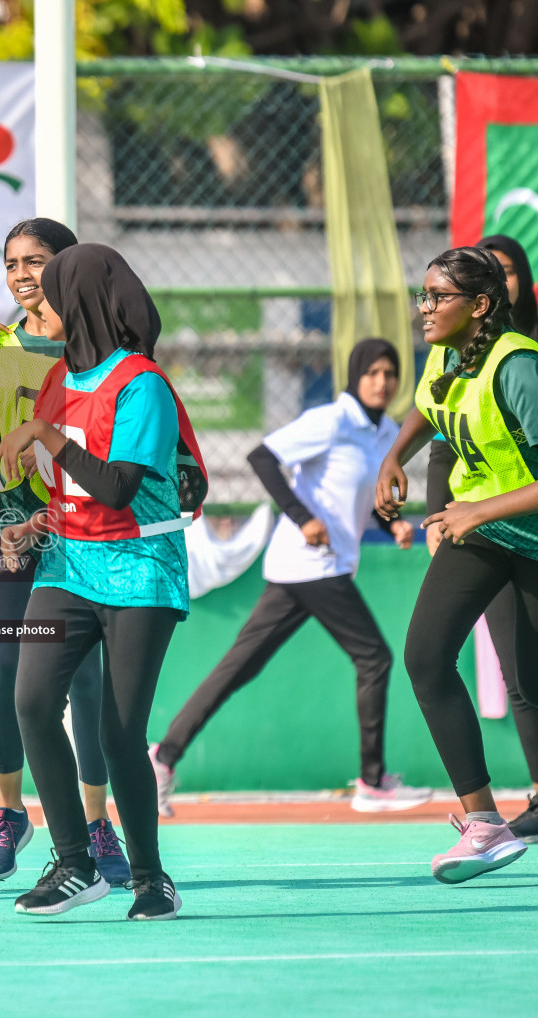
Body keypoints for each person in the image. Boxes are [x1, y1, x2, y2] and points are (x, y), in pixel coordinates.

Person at [375, 245, 538, 885]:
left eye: (438, 297)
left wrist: (474, 513)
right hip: (486, 521)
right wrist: (394, 455)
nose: (424, 308)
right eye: (423, 295)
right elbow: (432, 408)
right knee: (426, 657)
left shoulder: (521, 369)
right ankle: (483, 824)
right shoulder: (449, 354)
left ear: (479, 306)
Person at [0, 243, 207, 921]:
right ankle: (74, 866)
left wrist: (48, 438)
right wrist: (34, 522)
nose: (36, 301)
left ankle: (150, 878)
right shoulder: (61, 382)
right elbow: (76, 497)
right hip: (72, 563)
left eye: (49, 291)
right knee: (31, 700)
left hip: (140, 568)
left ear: (80, 302)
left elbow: (116, 488)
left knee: (118, 735)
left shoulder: (141, 383)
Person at [148, 338, 433, 815]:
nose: (382, 382)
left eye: (390, 373)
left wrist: (392, 522)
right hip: (310, 563)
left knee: (240, 665)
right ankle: (372, 781)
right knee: (375, 657)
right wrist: (304, 518)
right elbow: (262, 457)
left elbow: (358, 493)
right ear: (354, 376)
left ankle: (162, 758)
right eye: (372, 373)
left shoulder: (383, 433)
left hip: (312, 567)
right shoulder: (333, 420)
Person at [0, 219, 127, 886]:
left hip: (80, 529)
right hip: (8, 533)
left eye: (36, 261)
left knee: (89, 680)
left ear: (67, 268)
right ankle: (12, 812)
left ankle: (99, 826)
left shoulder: (96, 353)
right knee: (9, 666)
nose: (20, 274)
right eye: (11, 262)